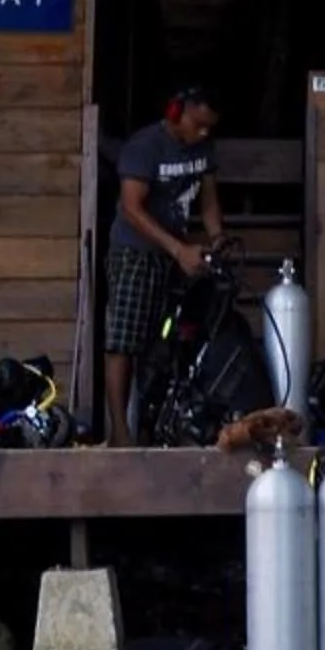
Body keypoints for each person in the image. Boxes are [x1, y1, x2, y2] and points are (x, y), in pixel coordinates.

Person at [103, 86, 224, 443]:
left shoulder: (203, 148)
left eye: (210, 128)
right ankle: (120, 432)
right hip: (135, 254)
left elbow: (209, 203)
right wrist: (178, 250)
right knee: (123, 342)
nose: (203, 133)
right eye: (198, 124)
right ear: (177, 112)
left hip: (175, 255)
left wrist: (218, 240)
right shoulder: (144, 148)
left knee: (164, 346)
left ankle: (155, 427)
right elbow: (131, 208)